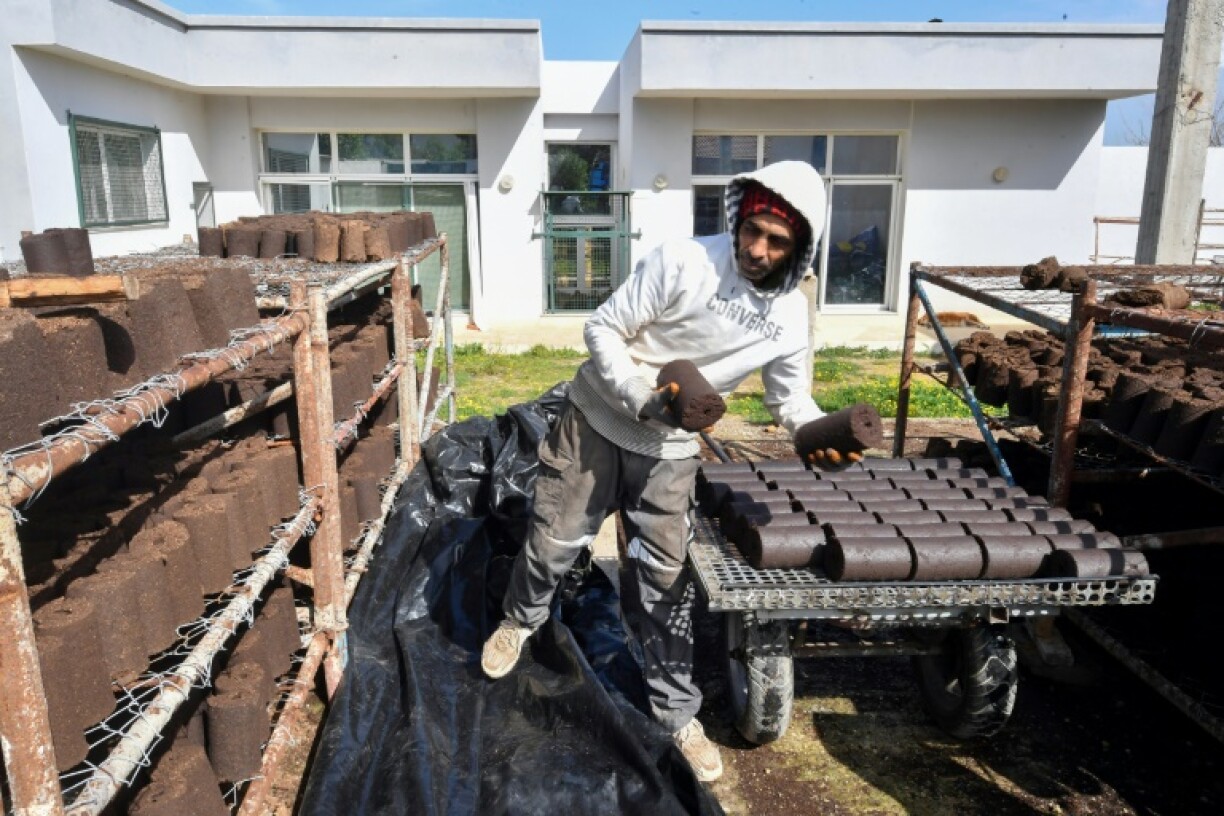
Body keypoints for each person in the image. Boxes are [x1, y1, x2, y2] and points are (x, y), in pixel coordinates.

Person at [481, 160, 838, 783]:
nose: (756, 249)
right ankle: (519, 621)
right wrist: (642, 393)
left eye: (775, 241)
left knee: (663, 586)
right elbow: (603, 327)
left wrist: (814, 431)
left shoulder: (788, 318)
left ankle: (676, 713)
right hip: (598, 423)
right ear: (739, 217)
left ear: (799, 246)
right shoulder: (685, 262)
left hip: (671, 454)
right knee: (553, 544)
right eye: (751, 230)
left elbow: (789, 400)